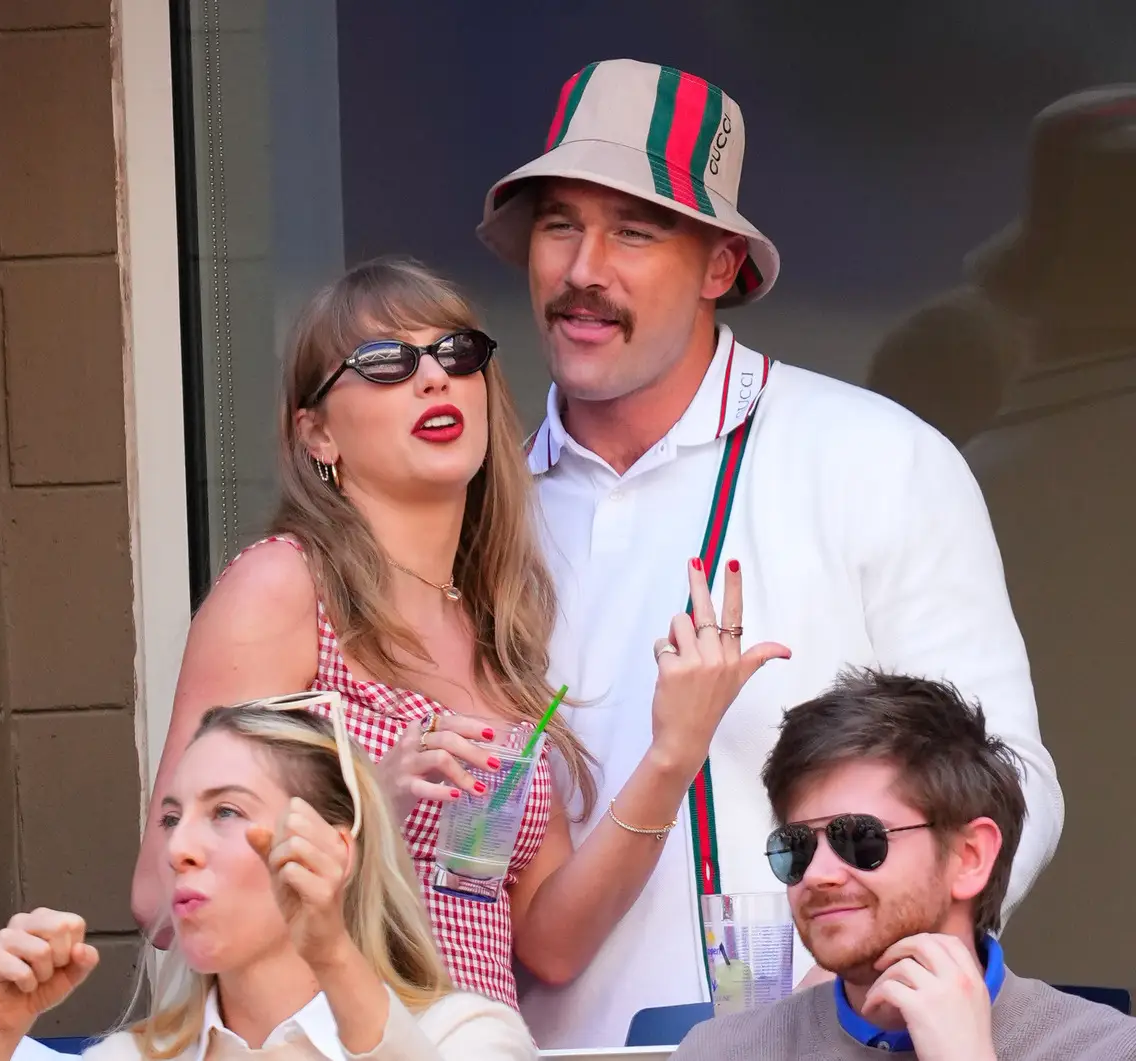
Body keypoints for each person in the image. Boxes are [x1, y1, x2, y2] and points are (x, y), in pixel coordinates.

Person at [475, 57, 1064, 1046]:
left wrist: (883, 981)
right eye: (559, 225)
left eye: (634, 230)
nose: (584, 270)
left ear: (720, 267)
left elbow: (1006, 779)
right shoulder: (478, 511)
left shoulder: (876, 456)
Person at [129, 257, 786, 1010]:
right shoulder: (286, 586)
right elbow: (162, 896)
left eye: (457, 353)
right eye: (386, 363)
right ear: (317, 434)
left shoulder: (495, 631)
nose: (435, 378)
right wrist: (371, 805)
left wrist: (674, 753)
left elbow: (550, 943)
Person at [0, 700, 536, 1061]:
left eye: (225, 812)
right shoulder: (132, 1057)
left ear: (336, 850)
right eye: (171, 819)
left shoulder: (464, 1036)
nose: (178, 849)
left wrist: (334, 955)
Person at [674, 670, 1136, 1059]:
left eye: (859, 838)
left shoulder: (1106, 1049)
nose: (817, 874)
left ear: (970, 857)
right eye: (796, 847)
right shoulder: (719, 1051)